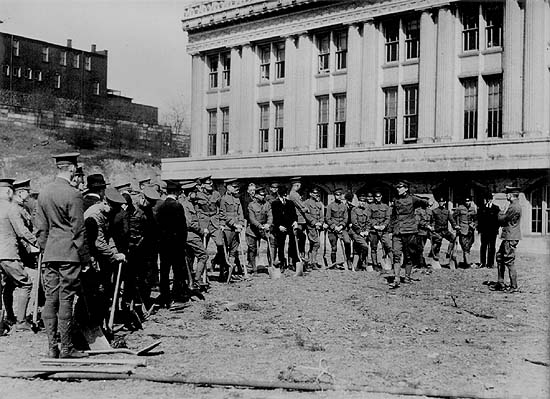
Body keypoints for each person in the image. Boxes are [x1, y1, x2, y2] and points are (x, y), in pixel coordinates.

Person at [34, 152, 90, 358]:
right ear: (72, 169)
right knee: (66, 299)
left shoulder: (44, 192)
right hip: (69, 254)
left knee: (50, 299)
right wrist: (85, 258)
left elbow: (40, 228)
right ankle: (67, 348)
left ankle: (52, 348)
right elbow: (78, 230)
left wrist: (44, 248)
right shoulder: (74, 194)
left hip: (50, 253)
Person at [0, 178, 38, 331]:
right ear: (10, 191)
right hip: (8, 253)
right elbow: (21, 231)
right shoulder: (11, 208)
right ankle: (21, 322)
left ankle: (7, 318)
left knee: (6, 286)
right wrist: (37, 242)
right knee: (25, 283)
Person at [389, 181, 429, 289]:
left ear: (406, 188)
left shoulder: (413, 199)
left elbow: (425, 202)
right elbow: (393, 216)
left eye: (400, 187)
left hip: (410, 231)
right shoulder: (395, 200)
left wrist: (426, 204)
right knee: (396, 254)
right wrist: (390, 230)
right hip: (398, 230)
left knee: (409, 255)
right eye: (397, 187)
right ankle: (396, 278)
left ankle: (407, 277)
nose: (398, 189)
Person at [155, 180, 189, 305]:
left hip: (163, 244)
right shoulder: (177, 206)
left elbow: (157, 226)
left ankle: (164, 296)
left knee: (164, 271)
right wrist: (182, 243)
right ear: (176, 192)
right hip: (176, 245)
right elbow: (182, 228)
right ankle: (177, 295)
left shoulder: (161, 206)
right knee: (178, 270)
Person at [492, 186, 522, 292]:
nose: (506, 196)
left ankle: (514, 286)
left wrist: (501, 212)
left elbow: (503, 220)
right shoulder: (514, 206)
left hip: (510, 237)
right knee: (499, 257)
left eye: (507, 194)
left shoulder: (513, 207)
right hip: (508, 236)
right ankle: (500, 283)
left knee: (509, 261)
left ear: (510, 195)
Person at [179, 181, 208, 288]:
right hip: (190, 234)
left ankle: (190, 281)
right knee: (203, 255)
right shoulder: (185, 205)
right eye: (194, 192)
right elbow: (189, 223)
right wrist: (201, 231)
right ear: (189, 193)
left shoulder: (191, 203)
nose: (196, 194)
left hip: (190, 234)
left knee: (190, 258)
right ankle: (196, 280)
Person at [219, 179, 245, 280]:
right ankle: (223, 272)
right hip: (227, 229)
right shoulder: (224, 199)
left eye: (238, 187)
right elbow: (223, 215)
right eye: (235, 187)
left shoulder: (237, 199)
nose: (237, 189)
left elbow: (240, 213)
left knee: (234, 251)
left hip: (237, 229)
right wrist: (234, 224)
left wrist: (241, 224)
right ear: (228, 187)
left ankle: (231, 273)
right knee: (224, 251)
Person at [246, 187, 274, 274]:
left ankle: (271, 264)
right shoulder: (251, 205)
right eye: (261, 195)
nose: (263, 196)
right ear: (256, 195)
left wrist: (268, 224)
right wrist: (259, 226)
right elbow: (252, 219)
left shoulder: (267, 204)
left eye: (264, 195)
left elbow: (270, 215)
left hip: (264, 229)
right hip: (253, 230)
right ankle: (253, 267)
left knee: (272, 241)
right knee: (252, 249)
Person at [271, 186, 298, 270]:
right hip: (280, 227)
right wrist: (278, 226)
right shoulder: (274, 203)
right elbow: (274, 217)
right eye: (283, 194)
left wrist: (295, 221)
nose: (284, 195)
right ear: (279, 194)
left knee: (292, 244)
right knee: (281, 245)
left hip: (290, 226)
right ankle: (282, 262)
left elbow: (294, 214)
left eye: (285, 193)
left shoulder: (290, 203)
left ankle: (291, 262)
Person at [325, 188, 351, 267]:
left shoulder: (344, 206)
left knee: (347, 242)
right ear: (334, 196)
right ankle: (334, 263)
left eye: (340, 195)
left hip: (342, 228)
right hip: (332, 229)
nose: (339, 197)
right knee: (334, 247)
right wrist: (334, 227)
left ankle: (348, 260)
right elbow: (328, 218)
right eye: (337, 195)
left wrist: (341, 226)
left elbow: (346, 218)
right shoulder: (330, 206)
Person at [368, 190, 392, 271]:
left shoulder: (386, 207)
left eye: (379, 196)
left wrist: (384, 225)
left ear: (381, 197)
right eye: (376, 197)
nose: (377, 198)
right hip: (374, 231)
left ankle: (392, 263)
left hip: (384, 230)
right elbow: (369, 218)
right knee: (373, 248)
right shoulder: (370, 207)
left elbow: (388, 218)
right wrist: (375, 226)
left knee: (388, 246)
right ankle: (375, 264)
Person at [430, 196, 457, 268]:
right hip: (438, 231)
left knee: (453, 238)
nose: (441, 203)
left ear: (444, 202)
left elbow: (451, 220)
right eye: (440, 202)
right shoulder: (434, 211)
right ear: (438, 203)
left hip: (445, 230)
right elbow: (432, 221)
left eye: (442, 202)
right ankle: (436, 258)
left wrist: (455, 226)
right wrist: (432, 227)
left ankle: (448, 253)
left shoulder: (447, 211)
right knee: (437, 244)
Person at [477, 193, 500, 268]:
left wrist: (496, 229)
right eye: (487, 199)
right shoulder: (482, 208)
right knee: (483, 247)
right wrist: (479, 230)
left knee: (492, 247)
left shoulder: (496, 208)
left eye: (490, 199)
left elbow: (498, 220)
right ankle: (482, 263)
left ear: (492, 199)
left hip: (492, 232)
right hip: (484, 231)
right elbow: (479, 220)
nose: (488, 201)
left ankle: (490, 263)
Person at [288, 177, 309, 261]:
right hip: (298, 219)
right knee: (298, 239)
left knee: (299, 239)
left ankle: (297, 258)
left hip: (300, 219)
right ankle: (296, 259)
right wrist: (306, 208)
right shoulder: (294, 194)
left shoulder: (294, 194)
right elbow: (302, 207)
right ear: (297, 185)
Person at [349, 193, 371, 270]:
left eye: (364, 201)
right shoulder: (354, 210)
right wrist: (360, 232)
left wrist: (367, 231)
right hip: (355, 232)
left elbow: (368, 222)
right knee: (365, 246)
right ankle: (361, 262)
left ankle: (356, 265)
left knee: (357, 248)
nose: (362, 203)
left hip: (364, 232)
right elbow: (354, 223)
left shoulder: (367, 211)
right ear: (358, 202)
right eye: (361, 201)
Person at [454, 196, 477, 267]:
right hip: (462, 229)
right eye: (466, 201)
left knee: (469, 245)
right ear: (464, 202)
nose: (467, 202)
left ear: (471, 201)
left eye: (469, 201)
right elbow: (453, 216)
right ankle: (467, 263)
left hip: (470, 230)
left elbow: (476, 219)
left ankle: (465, 261)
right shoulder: (460, 208)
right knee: (464, 246)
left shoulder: (473, 209)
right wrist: (456, 225)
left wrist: (474, 225)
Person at [304, 188, 324, 268]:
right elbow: (306, 215)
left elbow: (321, 215)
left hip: (318, 226)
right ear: (310, 194)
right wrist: (315, 223)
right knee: (316, 243)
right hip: (311, 226)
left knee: (313, 244)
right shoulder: (306, 203)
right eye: (315, 193)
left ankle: (311, 262)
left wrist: (321, 223)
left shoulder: (318, 203)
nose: (316, 195)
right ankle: (313, 261)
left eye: (317, 193)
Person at [415, 197, 434, 269]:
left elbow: (432, 220)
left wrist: (432, 226)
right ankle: (421, 264)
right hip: (420, 232)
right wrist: (427, 226)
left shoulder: (429, 211)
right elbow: (418, 222)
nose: (427, 203)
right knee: (420, 248)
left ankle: (433, 256)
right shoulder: (418, 211)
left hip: (428, 232)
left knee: (437, 239)